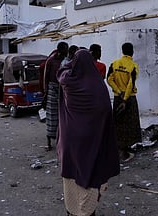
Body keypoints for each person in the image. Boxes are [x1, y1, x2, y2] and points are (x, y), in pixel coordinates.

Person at [56, 49, 120, 216]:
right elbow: (106, 109)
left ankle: (72, 210)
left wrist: (73, 60)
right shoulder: (98, 85)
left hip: (70, 139)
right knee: (91, 171)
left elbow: (61, 71)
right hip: (92, 138)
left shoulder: (68, 82)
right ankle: (87, 211)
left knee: (71, 175)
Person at [107, 42, 141, 162]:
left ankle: (118, 148)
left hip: (117, 98)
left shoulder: (114, 64)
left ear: (122, 51)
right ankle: (124, 151)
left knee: (119, 123)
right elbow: (131, 84)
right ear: (132, 52)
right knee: (129, 124)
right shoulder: (133, 66)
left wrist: (118, 91)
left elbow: (109, 79)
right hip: (129, 99)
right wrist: (125, 99)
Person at [43, 41, 69, 151]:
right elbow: (46, 77)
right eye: (64, 50)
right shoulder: (51, 60)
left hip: (62, 89)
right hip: (52, 89)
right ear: (60, 50)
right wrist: (45, 92)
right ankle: (48, 142)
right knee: (51, 117)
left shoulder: (65, 60)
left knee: (61, 117)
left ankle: (60, 141)